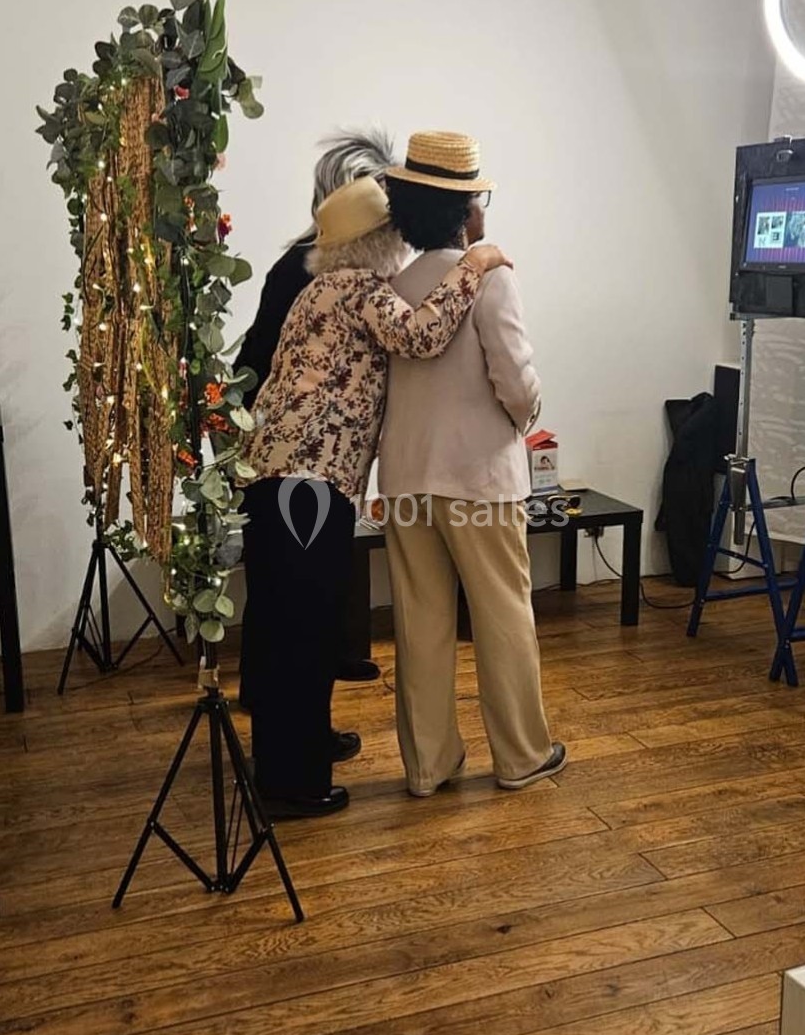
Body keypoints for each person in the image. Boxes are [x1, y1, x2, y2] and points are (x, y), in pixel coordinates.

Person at [240, 176, 510, 818]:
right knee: (304, 630)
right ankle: (292, 785)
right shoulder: (356, 290)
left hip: (283, 483)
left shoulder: (319, 291)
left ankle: (292, 757)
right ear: (376, 242)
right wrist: (475, 262)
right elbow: (423, 334)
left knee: (288, 624)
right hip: (307, 485)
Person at [380, 131, 566, 797]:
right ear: (468, 209)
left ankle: (429, 766)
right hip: (481, 481)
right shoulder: (491, 278)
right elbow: (517, 385)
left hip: (405, 478)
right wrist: (527, 417)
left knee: (420, 622)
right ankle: (520, 756)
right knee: (502, 615)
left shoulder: (392, 285)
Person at [235, 129, 395, 685]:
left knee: (299, 584)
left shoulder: (320, 266)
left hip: (293, 455)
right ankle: (282, 716)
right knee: (289, 591)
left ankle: (300, 692)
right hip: (293, 456)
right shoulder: (312, 270)